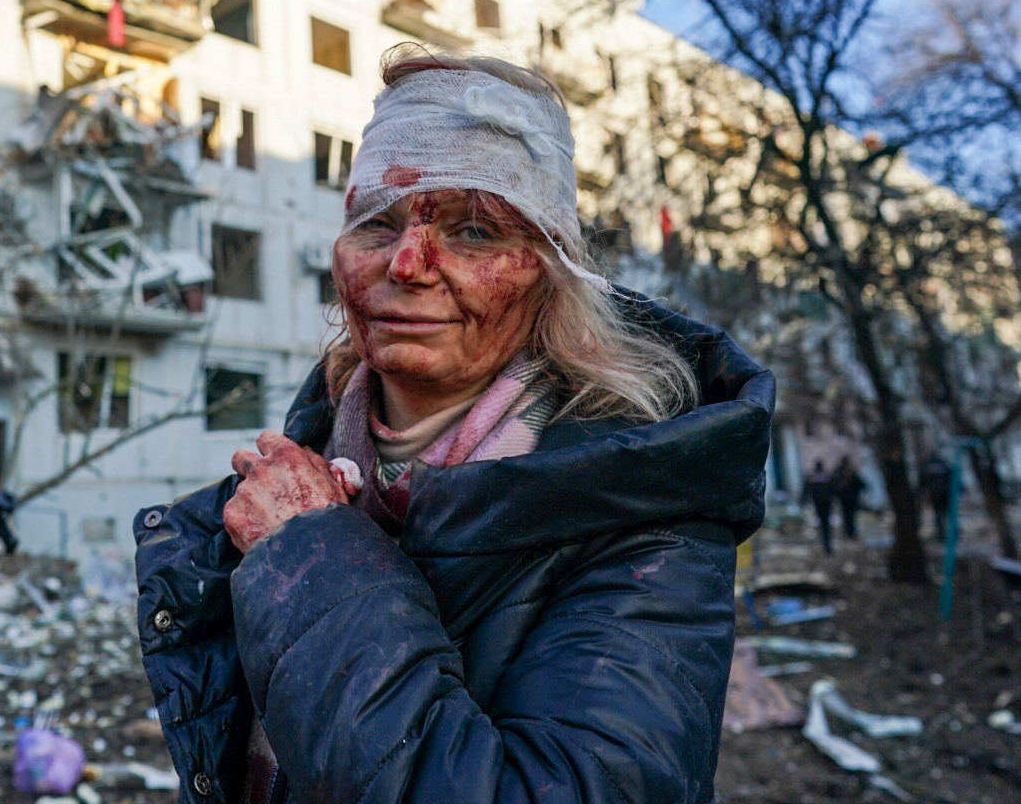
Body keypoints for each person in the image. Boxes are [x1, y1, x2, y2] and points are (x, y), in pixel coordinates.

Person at [135, 51, 774, 804]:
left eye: (473, 231)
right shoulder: (301, 474)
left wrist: (312, 557)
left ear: (550, 271)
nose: (406, 262)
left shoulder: (645, 521)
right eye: (376, 223)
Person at [920, 451, 955, 541]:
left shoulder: (927, 466)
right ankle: (953, 533)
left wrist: (922, 492)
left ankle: (941, 535)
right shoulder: (944, 465)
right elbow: (952, 478)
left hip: (935, 494)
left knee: (938, 515)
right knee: (949, 514)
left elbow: (923, 482)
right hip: (945, 493)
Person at [805, 459, 837, 555]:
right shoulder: (827, 477)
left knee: (823, 524)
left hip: (818, 505)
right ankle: (827, 545)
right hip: (827, 504)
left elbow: (806, 491)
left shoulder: (812, 478)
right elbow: (834, 490)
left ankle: (826, 545)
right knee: (826, 524)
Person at [832, 455, 866, 541]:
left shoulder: (840, 471)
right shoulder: (849, 472)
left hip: (845, 499)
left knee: (847, 516)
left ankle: (849, 533)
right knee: (850, 516)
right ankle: (850, 533)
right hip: (849, 498)